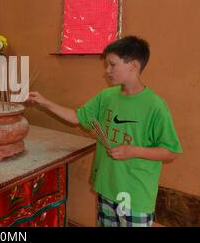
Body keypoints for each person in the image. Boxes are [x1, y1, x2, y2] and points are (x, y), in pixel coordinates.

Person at [28, 36, 182, 227]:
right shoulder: (106, 96)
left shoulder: (155, 106)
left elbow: (171, 151)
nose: (107, 70)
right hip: (107, 185)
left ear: (134, 65)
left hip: (135, 193)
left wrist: (133, 151)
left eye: (112, 64)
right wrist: (45, 102)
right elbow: (78, 117)